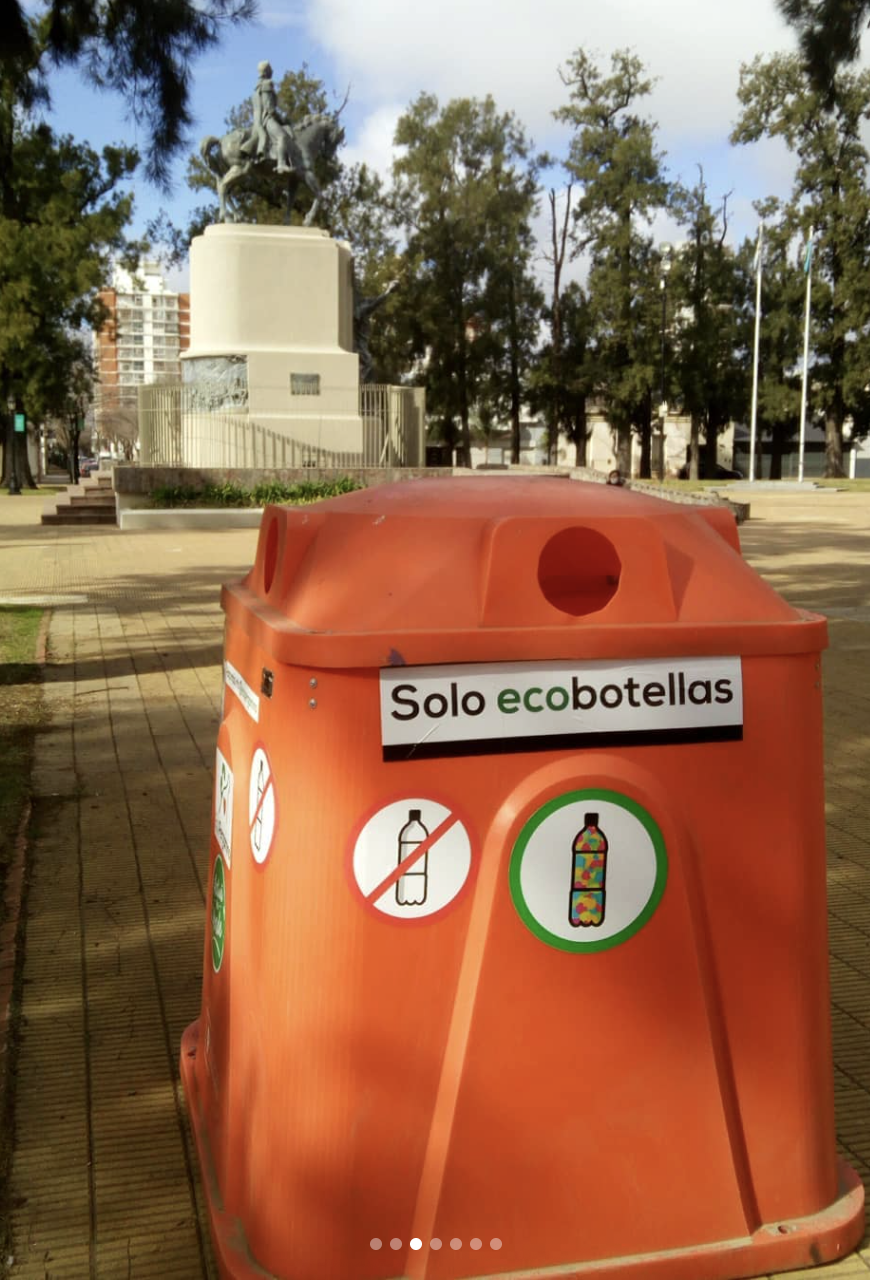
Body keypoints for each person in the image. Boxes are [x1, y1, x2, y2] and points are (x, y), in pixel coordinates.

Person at [241, 61, 292, 173]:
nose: (272, 71)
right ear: (266, 71)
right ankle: (281, 164)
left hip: (258, 121)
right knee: (282, 137)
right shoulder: (267, 84)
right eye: (270, 69)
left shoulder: (257, 88)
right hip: (267, 119)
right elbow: (270, 109)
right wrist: (282, 120)